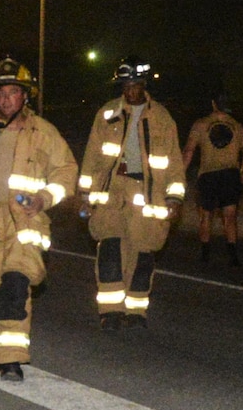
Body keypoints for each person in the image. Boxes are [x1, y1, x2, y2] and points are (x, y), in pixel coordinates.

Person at [0, 58, 76, 380]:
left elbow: (67, 172)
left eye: (13, 92)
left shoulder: (44, 133)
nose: (6, 99)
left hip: (26, 222)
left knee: (15, 285)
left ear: (25, 96)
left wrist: (44, 198)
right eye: (1, 93)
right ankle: (0, 346)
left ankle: (12, 360)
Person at [79, 59, 185, 329]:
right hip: (112, 191)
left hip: (148, 195)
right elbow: (92, 155)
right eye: (125, 86)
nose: (130, 91)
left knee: (142, 254)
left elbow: (173, 163)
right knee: (110, 249)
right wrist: (85, 193)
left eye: (135, 85)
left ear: (144, 85)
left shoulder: (162, 118)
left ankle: (136, 311)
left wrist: (174, 198)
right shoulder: (107, 114)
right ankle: (110, 311)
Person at [184, 93, 243, 265]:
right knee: (230, 216)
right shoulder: (237, 126)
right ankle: (233, 256)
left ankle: (205, 255)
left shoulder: (201, 124)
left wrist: (180, 172)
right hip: (230, 175)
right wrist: (242, 172)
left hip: (208, 175)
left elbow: (189, 151)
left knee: (206, 215)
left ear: (213, 104)